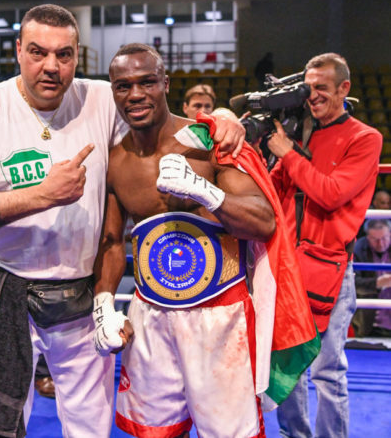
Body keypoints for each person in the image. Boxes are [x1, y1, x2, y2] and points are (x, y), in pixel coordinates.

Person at [0, 4, 246, 438]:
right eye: (38, 52)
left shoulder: (102, 99)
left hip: (80, 297)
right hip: (2, 292)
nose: (51, 66)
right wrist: (42, 195)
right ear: (18, 51)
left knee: (90, 429)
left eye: (63, 54)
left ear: (77, 56)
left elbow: (161, 118)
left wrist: (220, 120)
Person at [94, 43, 318, 437]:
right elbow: (112, 242)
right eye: (124, 86)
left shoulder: (212, 141)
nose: (136, 94)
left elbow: (264, 222)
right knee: (155, 432)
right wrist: (103, 306)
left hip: (220, 317)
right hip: (151, 314)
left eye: (147, 82)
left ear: (166, 84)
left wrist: (206, 192)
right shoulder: (116, 161)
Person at [267, 52, 382, 437]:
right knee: (287, 366)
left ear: (344, 88)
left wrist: (288, 154)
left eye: (322, 88)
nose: (312, 95)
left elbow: (331, 194)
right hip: (287, 266)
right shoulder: (302, 132)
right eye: (308, 88)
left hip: (330, 268)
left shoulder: (365, 138)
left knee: (327, 372)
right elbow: (276, 189)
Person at [351, 219, 391, 337]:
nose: (380, 243)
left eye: (384, 238)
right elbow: (351, 284)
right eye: (375, 239)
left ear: (390, 234)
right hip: (367, 322)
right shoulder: (357, 249)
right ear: (367, 236)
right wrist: (377, 283)